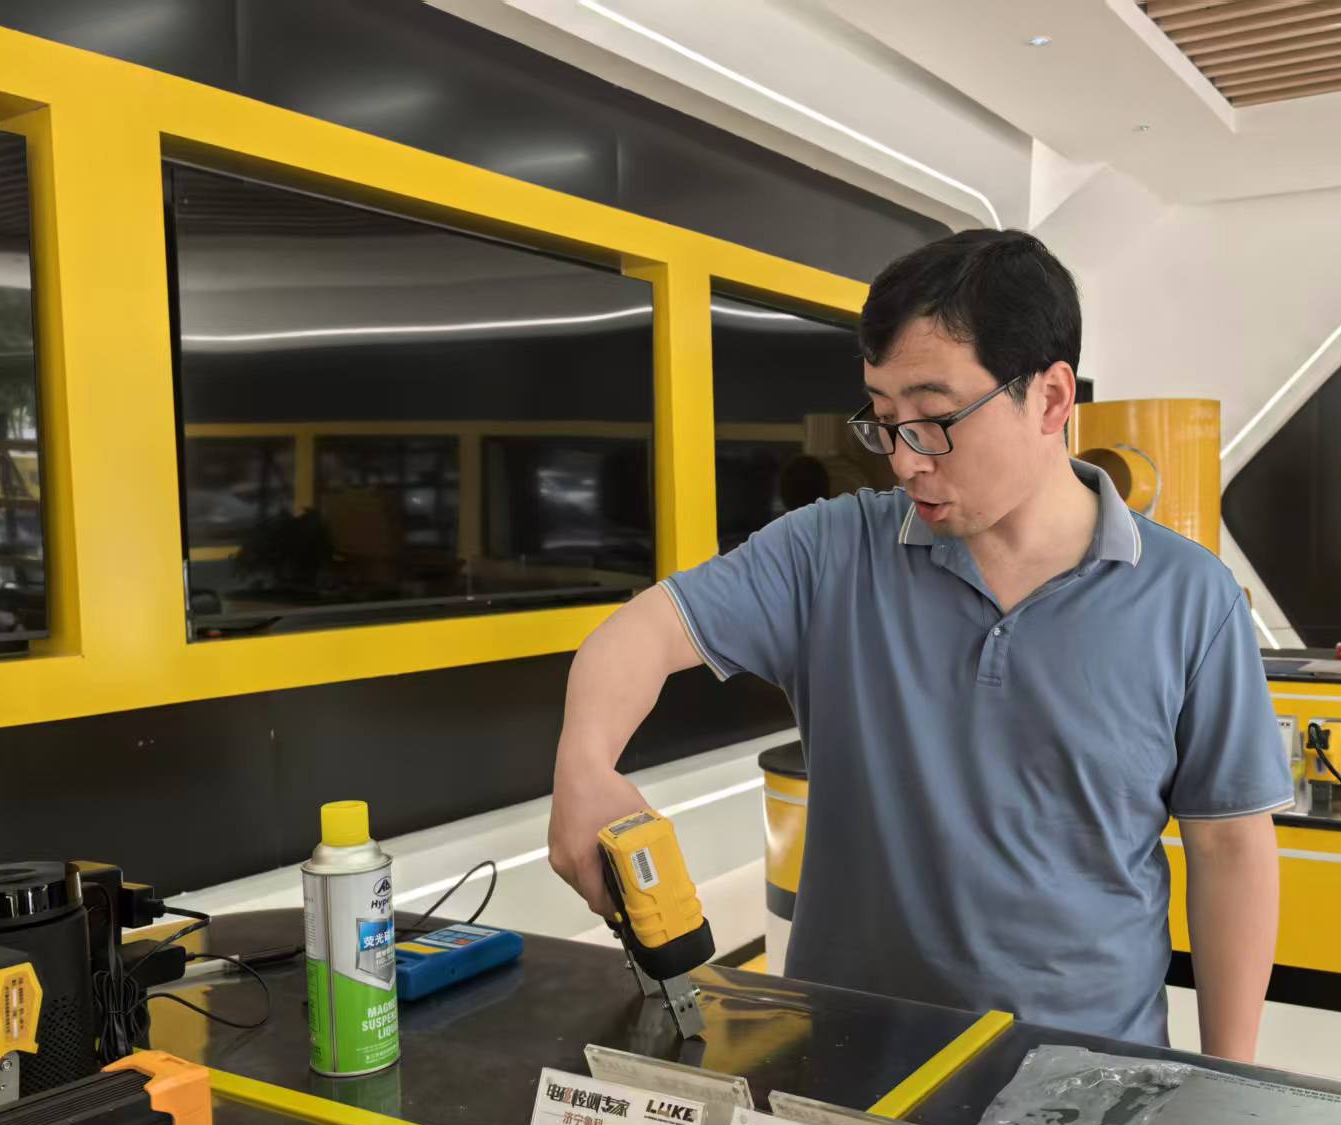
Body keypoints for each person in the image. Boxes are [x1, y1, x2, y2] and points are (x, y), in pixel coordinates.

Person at [547, 229, 1291, 1058]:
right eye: (884, 418)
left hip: (1087, 1071)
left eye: (935, 420)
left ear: (1050, 400)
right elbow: (641, 634)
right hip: (846, 1057)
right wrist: (585, 765)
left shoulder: (1190, 597)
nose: (903, 461)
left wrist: (1230, 1079)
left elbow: (1230, 847)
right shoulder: (830, 552)